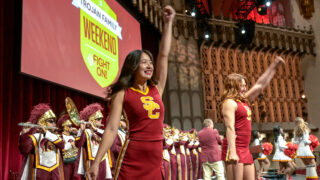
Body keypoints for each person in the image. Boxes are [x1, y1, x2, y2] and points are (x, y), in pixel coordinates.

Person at [86, 5, 175, 180]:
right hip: (133, 158)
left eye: (150, 62)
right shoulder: (123, 93)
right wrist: (96, 162)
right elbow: (111, 129)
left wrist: (168, 24)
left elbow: (163, 55)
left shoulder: (157, 89)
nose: (149, 65)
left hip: (156, 159)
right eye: (144, 62)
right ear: (133, 67)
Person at [220, 56, 285, 180]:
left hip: (244, 148)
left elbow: (259, 85)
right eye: (242, 86)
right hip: (234, 147)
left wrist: (274, 66)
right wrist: (233, 152)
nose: (245, 88)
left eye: (245, 85)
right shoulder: (229, 103)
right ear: (233, 86)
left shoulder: (243, 101)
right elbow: (229, 127)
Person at [18, 103, 65, 179]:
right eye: (51, 121)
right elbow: (24, 150)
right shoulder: (36, 136)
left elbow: (62, 145)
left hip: (55, 172)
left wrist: (46, 133)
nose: (54, 124)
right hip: (40, 173)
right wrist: (24, 133)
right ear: (42, 123)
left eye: (54, 122)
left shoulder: (57, 136)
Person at [77, 103, 112, 180]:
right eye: (98, 119)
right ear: (91, 120)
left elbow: (108, 137)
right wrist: (81, 131)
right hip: (91, 161)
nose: (100, 121)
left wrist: (95, 129)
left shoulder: (101, 131)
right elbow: (79, 145)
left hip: (103, 160)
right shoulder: (86, 132)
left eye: (101, 119)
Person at [57, 112, 85, 180]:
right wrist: (70, 144)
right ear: (63, 126)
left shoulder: (73, 136)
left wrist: (81, 131)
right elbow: (61, 147)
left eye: (71, 125)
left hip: (75, 162)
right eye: (69, 126)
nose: (71, 127)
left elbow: (79, 144)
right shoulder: (59, 136)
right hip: (66, 163)